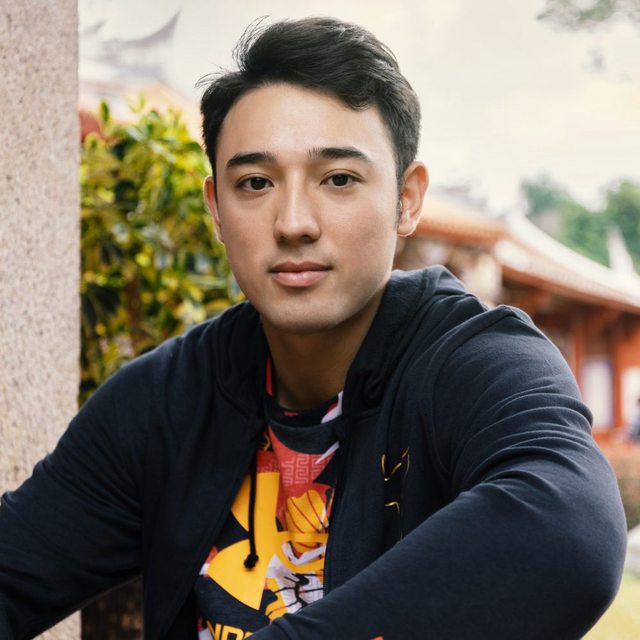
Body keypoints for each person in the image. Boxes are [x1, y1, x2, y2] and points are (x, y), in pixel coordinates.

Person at [0, 16, 627, 640]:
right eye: (255, 183)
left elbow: (570, 528)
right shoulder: (168, 401)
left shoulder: (474, 360)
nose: (294, 222)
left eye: (339, 179)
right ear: (215, 207)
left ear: (407, 199)